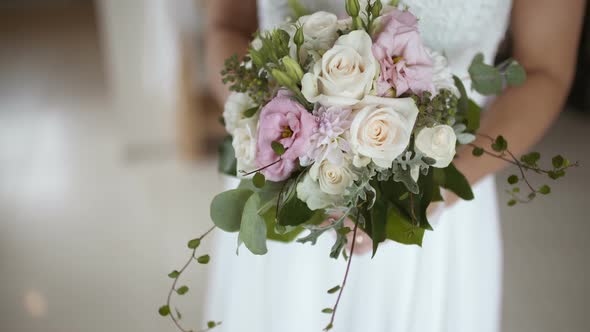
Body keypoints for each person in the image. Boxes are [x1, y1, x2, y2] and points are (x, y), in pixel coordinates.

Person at [204, 1, 585, 331]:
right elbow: (227, 26)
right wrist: (277, 132)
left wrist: (436, 191)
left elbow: (545, 70)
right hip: (282, 178)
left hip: (436, 190)